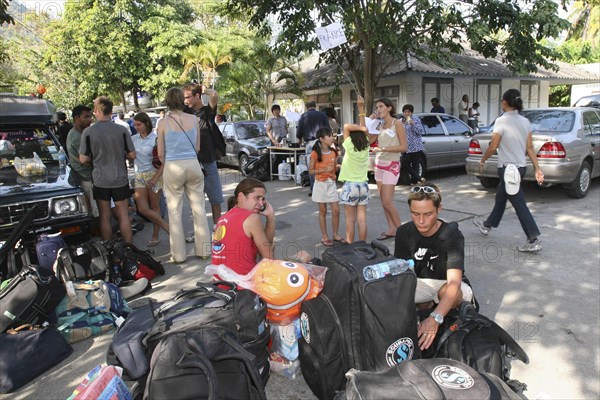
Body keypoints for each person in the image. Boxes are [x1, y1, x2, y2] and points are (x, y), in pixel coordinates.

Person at [394, 183, 474, 351]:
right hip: (420, 282)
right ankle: (425, 308)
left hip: (447, 284)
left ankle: (441, 315)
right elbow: (402, 276)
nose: (421, 221)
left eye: (428, 214)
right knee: (391, 293)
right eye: (415, 214)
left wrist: (435, 318)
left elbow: (454, 284)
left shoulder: (452, 235)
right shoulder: (403, 232)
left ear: (439, 209)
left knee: (447, 292)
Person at [473, 89, 544, 252]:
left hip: (508, 169)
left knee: (519, 204)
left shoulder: (501, 121)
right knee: (501, 196)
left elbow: (494, 145)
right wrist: (537, 168)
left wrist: (483, 159)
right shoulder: (525, 122)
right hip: (520, 168)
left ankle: (533, 238)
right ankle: (487, 225)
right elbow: (530, 147)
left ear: (505, 102)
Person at [211, 178, 311, 275]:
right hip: (244, 285)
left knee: (272, 247)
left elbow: (265, 243)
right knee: (304, 256)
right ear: (241, 197)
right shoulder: (251, 218)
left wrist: (270, 217)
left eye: (262, 199)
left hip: (222, 283)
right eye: (257, 198)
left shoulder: (223, 218)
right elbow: (269, 259)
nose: (261, 203)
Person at [157, 87, 211, 263]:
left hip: (173, 167)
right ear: (182, 100)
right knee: (199, 209)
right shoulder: (194, 119)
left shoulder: (163, 123)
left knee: (175, 212)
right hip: (193, 165)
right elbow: (197, 148)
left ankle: (179, 256)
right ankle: (204, 251)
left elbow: (160, 154)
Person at [79, 96, 136, 244]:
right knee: (123, 214)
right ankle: (130, 247)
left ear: (96, 111)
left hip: (100, 179)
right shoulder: (122, 130)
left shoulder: (88, 132)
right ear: (111, 111)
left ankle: (108, 249)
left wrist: (96, 159)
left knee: (105, 216)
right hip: (120, 177)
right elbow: (132, 155)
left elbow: (83, 159)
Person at [183, 83, 224, 230]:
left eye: (188, 97)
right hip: (191, 162)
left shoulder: (207, 111)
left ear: (197, 95)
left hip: (208, 160)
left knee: (215, 200)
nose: (185, 100)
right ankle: (199, 234)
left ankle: (219, 232)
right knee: (196, 203)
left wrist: (205, 89)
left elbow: (214, 96)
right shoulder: (184, 112)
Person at [338, 95, 375, 243]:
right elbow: (361, 130)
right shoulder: (366, 144)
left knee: (350, 219)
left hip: (350, 186)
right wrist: (361, 109)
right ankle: (362, 245)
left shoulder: (349, 145)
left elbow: (346, 126)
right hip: (364, 186)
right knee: (362, 219)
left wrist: (362, 126)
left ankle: (350, 244)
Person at [371, 98, 407, 241]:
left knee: (387, 201)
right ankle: (391, 229)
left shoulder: (396, 123)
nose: (378, 109)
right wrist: (372, 122)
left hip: (391, 164)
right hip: (379, 163)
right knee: (383, 200)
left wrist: (383, 148)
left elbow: (404, 147)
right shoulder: (379, 125)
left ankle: (403, 233)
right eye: (377, 107)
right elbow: (368, 140)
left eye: (381, 106)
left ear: (389, 108)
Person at [132, 112, 169, 247]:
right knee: (142, 208)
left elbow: (163, 161)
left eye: (139, 124)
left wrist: (155, 177)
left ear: (146, 124)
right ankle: (168, 227)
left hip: (154, 174)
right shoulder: (133, 139)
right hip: (139, 175)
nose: (136, 127)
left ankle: (155, 236)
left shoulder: (155, 138)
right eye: (135, 125)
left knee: (155, 206)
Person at [309, 127, 345, 247]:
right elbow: (311, 170)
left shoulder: (334, 152)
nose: (332, 138)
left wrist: (338, 167)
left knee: (336, 210)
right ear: (321, 139)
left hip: (331, 183)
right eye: (329, 136)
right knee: (323, 210)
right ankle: (325, 236)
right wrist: (324, 169)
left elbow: (334, 167)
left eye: (332, 136)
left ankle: (335, 234)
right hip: (320, 184)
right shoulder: (315, 153)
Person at [66, 105, 99, 228]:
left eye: (90, 116)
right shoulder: (76, 137)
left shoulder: (81, 133)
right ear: (76, 118)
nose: (89, 119)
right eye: (86, 117)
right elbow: (87, 160)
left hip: (88, 176)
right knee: (96, 211)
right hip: (86, 177)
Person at [296, 100, 329, 196]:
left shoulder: (303, 116)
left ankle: (313, 189)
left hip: (310, 143)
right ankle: (324, 188)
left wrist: (299, 139)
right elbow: (327, 129)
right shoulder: (322, 115)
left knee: (312, 166)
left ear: (307, 107)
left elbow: (299, 132)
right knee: (323, 165)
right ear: (315, 106)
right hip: (322, 142)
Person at [402, 104, 427, 185]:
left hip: (415, 146)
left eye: (408, 112)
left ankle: (414, 181)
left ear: (411, 112)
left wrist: (413, 125)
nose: (407, 113)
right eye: (405, 112)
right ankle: (418, 178)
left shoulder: (416, 120)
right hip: (406, 146)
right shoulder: (401, 121)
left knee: (415, 164)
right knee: (404, 163)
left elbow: (420, 132)